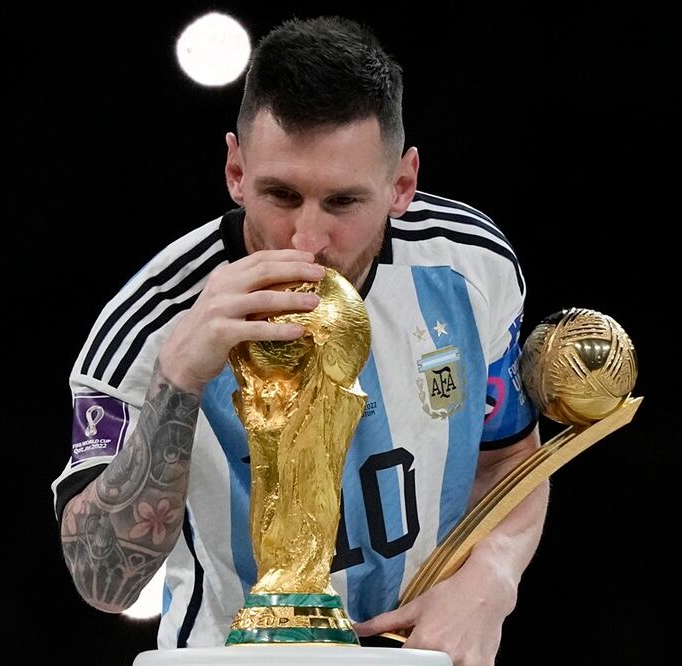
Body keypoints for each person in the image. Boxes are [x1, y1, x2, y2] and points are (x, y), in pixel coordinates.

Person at [52, 15, 548, 666]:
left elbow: (509, 461)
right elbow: (103, 581)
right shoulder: (148, 326)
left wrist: (494, 575)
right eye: (279, 194)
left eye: (342, 202)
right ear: (234, 169)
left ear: (401, 185)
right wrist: (177, 378)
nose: (305, 239)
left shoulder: (468, 266)